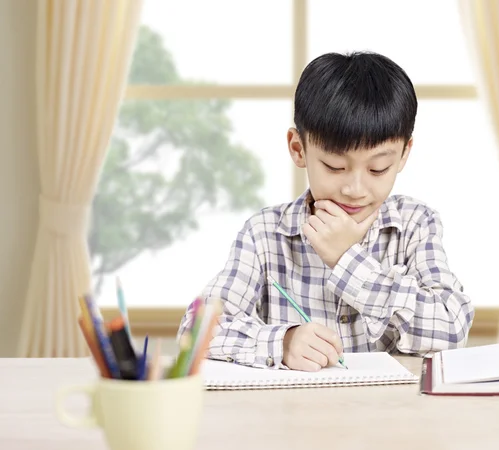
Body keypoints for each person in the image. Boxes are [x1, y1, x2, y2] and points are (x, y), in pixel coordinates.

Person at [177, 51, 474, 372]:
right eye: (335, 166)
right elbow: (197, 331)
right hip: (293, 416)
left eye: (378, 168)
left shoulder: (415, 224)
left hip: (392, 414)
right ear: (298, 148)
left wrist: (348, 260)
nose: (356, 188)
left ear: (404, 155)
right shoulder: (264, 233)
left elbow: (451, 327)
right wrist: (282, 342)